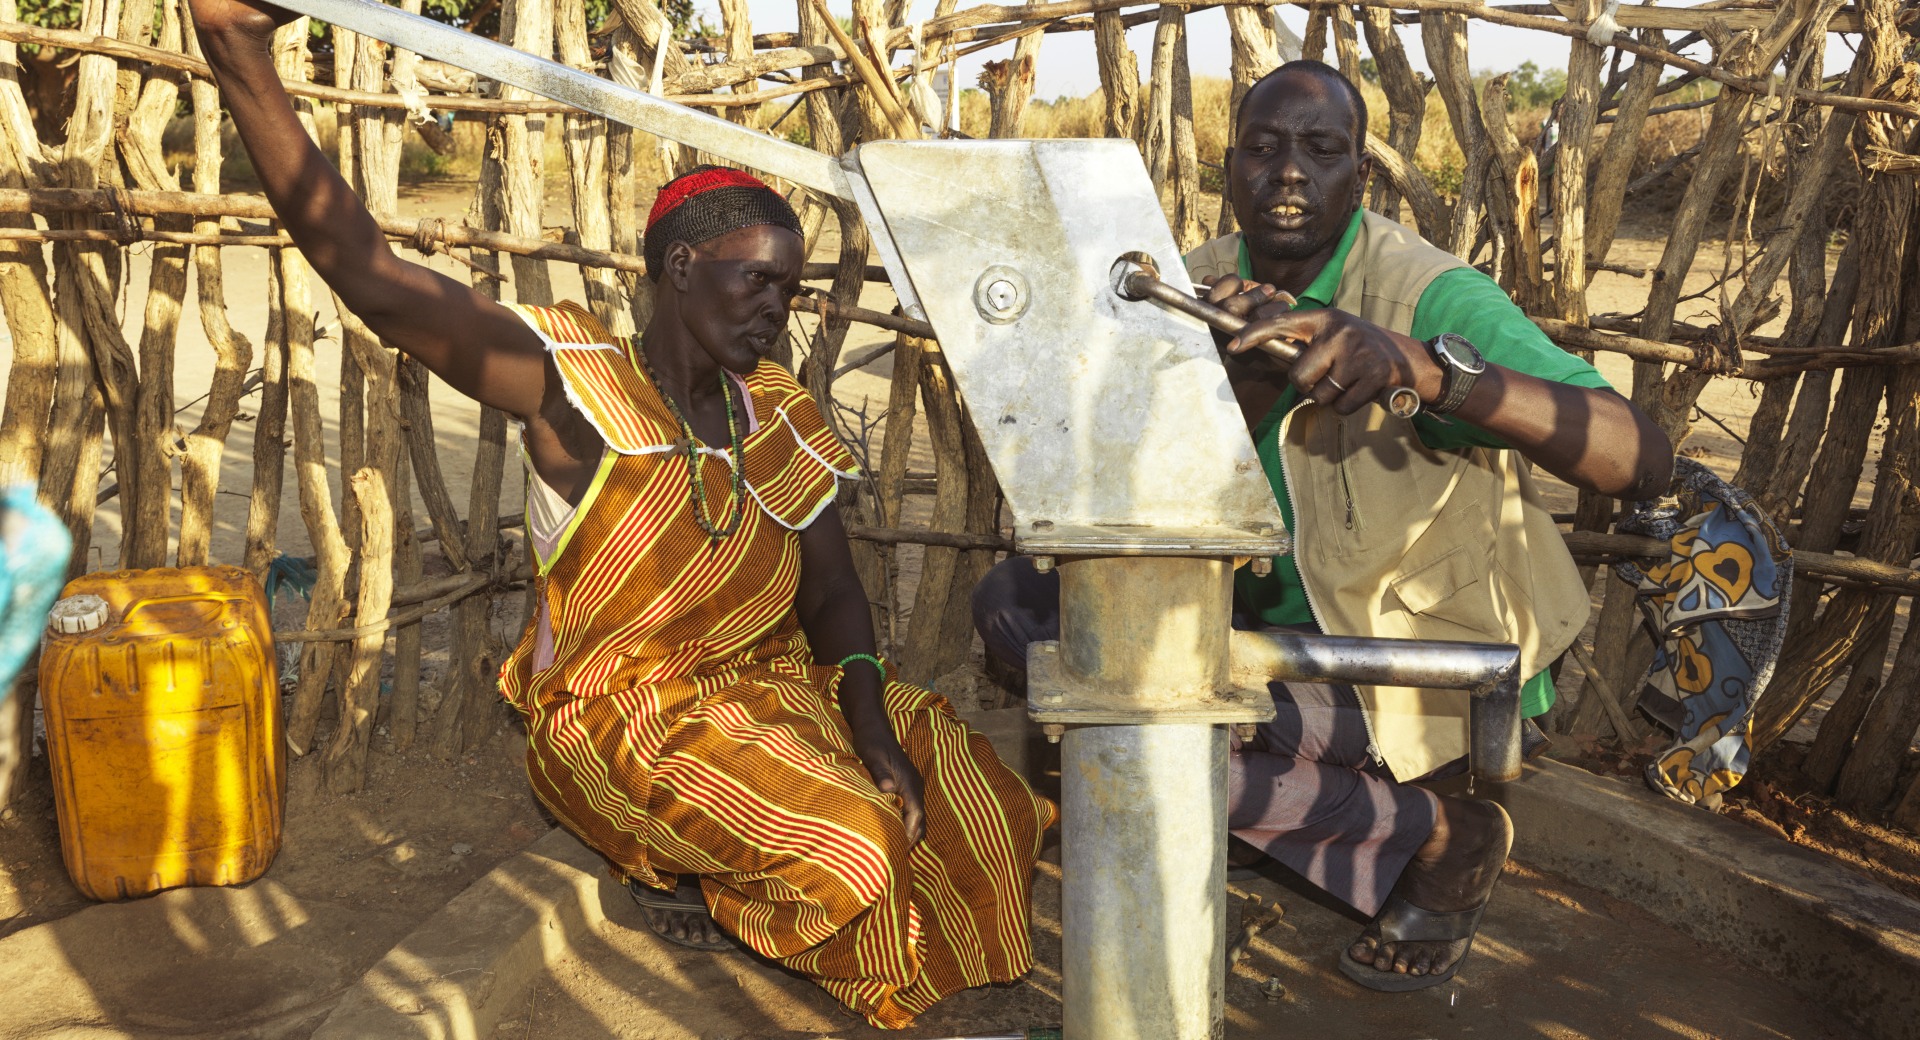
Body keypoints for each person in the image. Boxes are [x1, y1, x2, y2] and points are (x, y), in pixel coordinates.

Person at [191, 1, 1055, 1028]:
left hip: (771, 697)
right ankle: (678, 864)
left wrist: (871, 725)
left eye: (795, 289)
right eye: (760, 282)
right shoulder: (574, 389)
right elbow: (374, 279)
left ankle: (748, 846)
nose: (780, 310)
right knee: (856, 844)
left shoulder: (776, 409)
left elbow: (831, 591)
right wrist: (239, 52)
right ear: (682, 268)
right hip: (624, 720)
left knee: (985, 806)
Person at [973, 61, 1672, 993]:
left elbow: (1636, 458)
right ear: (1231, 169)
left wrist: (1430, 374)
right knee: (1020, 612)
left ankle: (1442, 835)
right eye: (1263, 150)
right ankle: (1308, 808)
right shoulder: (1200, 279)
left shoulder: (1429, 296)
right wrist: (1241, 377)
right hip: (1262, 634)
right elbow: (1108, 461)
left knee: (1149, 754)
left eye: (1320, 150)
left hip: (1413, 654)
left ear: (1361, 175)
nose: (1289, 174)